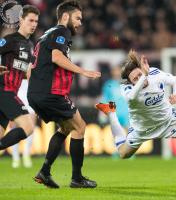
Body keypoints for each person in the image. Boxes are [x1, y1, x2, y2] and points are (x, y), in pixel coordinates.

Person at [28, 1, 101, 188]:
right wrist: (82, 71)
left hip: (37, 93)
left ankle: (44, 171)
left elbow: (31, 68)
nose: (80, 23)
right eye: (78, 18)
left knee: (66, 128)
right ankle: (77, 178)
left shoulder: (45, 35)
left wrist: (36, 97)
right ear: (66, 17)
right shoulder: (62, 31)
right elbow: (56, 57)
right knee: (80, 127)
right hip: (51, 92)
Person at [95, 50, 176, 159]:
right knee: (123, 154)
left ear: (142, 70)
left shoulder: (154, 74)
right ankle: (112, 115)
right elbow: (131, 97)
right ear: (130, 82)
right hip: (142, 128)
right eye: (135, 79)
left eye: (139, 75)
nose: (139, 78)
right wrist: (143, 76)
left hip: (168, 121)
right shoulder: (126, 88)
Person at [0, 5, 39, 152]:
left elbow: (20, 71)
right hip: (4, 91)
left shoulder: (30, 45)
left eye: (36, 21)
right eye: (30, 20)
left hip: (9, 93)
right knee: (28, 127)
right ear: (21, 20)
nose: (34, 24)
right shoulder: (10, 40)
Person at [101, 65, 129, 159]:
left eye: (118, 71)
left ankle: (128, 152)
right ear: (112, 72)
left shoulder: (126, 83)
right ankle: (117, 152)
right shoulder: (108, 84)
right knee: (117, 133)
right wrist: (102, 112)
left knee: (128, 132)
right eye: (114, 71)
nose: (116, 73)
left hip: (126, 111)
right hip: (114, 112)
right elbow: (105, 98)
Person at [11, 79, 36, 168]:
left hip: (29, 94)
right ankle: (15, 157)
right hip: (14, 93)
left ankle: (26, 155)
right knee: (14, 126)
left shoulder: (32, 64)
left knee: (31, 127)